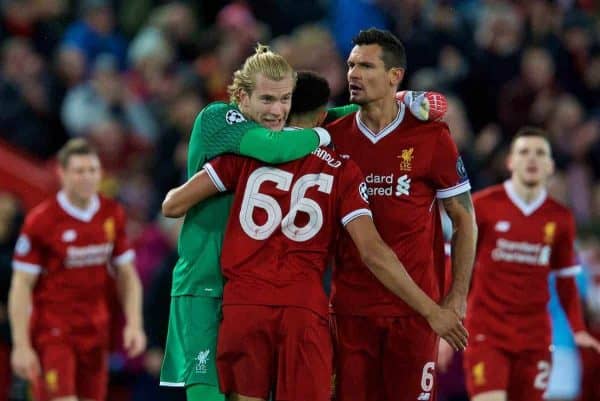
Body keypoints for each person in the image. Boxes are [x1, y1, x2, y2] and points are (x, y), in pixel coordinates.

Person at [159, 43, 446, 401]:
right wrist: (327, 131)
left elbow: (324, 115)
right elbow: (278, 146)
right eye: (267, 100)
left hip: (243, 294)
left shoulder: (247, 154)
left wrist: (399, 99)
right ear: (242, 98)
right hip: (207, 285)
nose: (277, 111)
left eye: (284, 100)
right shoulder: (221, 120)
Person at [324, 28, 477, 401]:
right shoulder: (332, 137)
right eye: (350, 65)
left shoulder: (430, 137)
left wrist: (456, 297)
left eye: (365, 65)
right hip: (351, 312)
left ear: (395, 76)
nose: (353, 74)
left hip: (415, 313)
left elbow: (464, 219)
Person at [462, 126, 600, 401]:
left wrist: (579, 329)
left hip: (546, 345)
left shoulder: (561, 225)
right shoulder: (485, 207)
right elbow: (459, 265)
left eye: (540, 154)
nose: (532, 160)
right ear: (510, 161)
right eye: (525, 152)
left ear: (550, 167)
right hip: (489, 334)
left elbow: (571, 284)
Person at [9, 138, 147, 401]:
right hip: (54, 331)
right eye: (79, 171)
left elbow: (127, 274)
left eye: (92, 170)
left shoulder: (111, 213)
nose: (87, 178)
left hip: (96, 330)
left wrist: (134, 324)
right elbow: (21, 284)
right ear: (62, 174)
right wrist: (21, 345)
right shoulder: (42, 220)